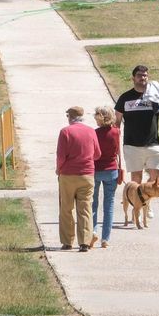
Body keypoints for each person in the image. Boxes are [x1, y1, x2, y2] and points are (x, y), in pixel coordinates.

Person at [113, 64, 159, 185]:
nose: (143, 78)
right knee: (136, 180)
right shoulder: (125, 98)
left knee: (156, 179)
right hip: (132, 145)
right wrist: (114, 142)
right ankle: (138, 203)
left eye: (145, 76)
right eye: (139, 75)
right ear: (133, 78)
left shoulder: (155, 97)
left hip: (153, 144)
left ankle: (145, 200)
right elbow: (116, 122)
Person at [56, 106, 100, 252]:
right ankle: (85, 242)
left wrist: (59, 168)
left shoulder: (65, 132)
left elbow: (61, 155)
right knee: (85, 208)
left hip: (68, 174)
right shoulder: (91, 131)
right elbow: (97, 154)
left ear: (70, 117)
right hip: (87, 174)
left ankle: (67, 241)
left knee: (66, 208)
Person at [89, 106, 121, 249]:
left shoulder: (94, 133)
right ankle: (105, 238)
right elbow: (119, 152)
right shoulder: (116, 132)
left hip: (96, 169)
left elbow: (92, 152)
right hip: (112, 170)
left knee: (93, 203)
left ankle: (93, 231)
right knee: (109, 206)